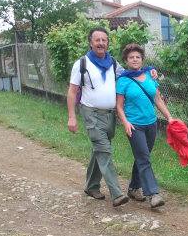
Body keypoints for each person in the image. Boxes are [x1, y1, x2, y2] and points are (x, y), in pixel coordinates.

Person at [66, 27, 129, 207]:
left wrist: (149, 71)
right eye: (97, 40)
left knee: (99, 150)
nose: (101, 43)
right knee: (104, 150)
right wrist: (72, 117)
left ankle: (91, 186)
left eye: (104, 40)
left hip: (110, 116)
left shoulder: (113, 63)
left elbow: (129, 76)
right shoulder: (82, 64)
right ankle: (117, 193)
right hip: (91, 114)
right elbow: (72, 92)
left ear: (108, 43)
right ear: (91, 42)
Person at [116, 43, 174, 208]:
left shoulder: (149, 75)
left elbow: (157, 99)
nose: (135, 59)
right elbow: (119, 106)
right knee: (144, 158)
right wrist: (125, 122)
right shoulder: (123, 80)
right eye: (131, 57)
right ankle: (153, 194)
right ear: (126, 60)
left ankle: (134, 188)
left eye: (138, 57)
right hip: (134, 126)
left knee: (142, 156)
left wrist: (169, 117)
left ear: (142, 59)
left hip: (151, 124)